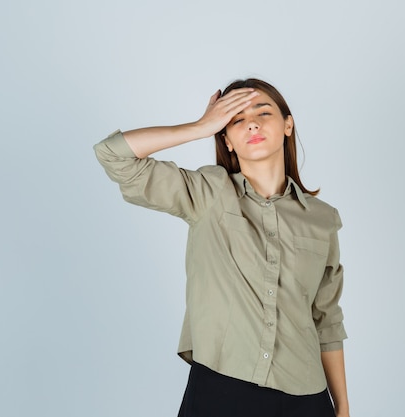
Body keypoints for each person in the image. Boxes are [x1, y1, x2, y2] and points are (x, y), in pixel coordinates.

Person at [94, 78, 350, 417]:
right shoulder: (207, 193)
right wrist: (201, 126)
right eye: (237, 119)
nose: (253, 123)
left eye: (263, 112)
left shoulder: (322, 219)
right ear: (226, 140)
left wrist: (342, 406)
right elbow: (114, 155)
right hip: (222, 389)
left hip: (306, 396)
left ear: (287, 125)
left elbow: (326, 319)